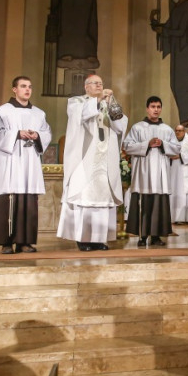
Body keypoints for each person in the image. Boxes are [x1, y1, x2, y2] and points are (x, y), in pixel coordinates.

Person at [56, 75, 128, 252]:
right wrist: (98, 100)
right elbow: (80, 115)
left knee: (103, 199)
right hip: (85, 159)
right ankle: (83, 239)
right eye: (95, 83)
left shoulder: (107, 104)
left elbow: (120, 126)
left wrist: (111, 103)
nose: (99, 86)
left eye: (101, 83)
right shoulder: (76, 102)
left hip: (105, 160)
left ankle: (99, 239)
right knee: (85, 198)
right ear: (86, 87)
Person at [0, 76, 51, 254]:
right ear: (14, 89)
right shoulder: (2, 111)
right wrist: (16, 134)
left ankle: (25, 242)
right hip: (10, 162)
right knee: (8, 200)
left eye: (29, 86)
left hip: (29, 163)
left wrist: (37, 136)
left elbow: (46, 132)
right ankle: (6, 242)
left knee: (28, 202)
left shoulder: (39, 113)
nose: (27, 89)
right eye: (23, 86)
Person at [122, 96, 180, 247]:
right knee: (144, 204)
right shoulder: (137, 128)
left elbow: (176, 149)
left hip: (160, 174)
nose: (156, 109)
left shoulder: (167, 129)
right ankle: (142, 237)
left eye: (158, 107)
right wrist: (146, 144)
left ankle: (156, 237)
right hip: (143, 174)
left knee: (159, 205)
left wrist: (163, 144)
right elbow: (127, 146)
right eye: (153, 106)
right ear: (147, 108)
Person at [168, 124, 188, 224]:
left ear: (184, 131)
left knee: (186, 192)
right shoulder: (171, 142)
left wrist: (180, 156)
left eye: (180, 130)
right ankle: (174, 217)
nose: (177, 132)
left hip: (186, 171)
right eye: (176, 130)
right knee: (175, 191)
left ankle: (187, 218)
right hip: (174, 172)